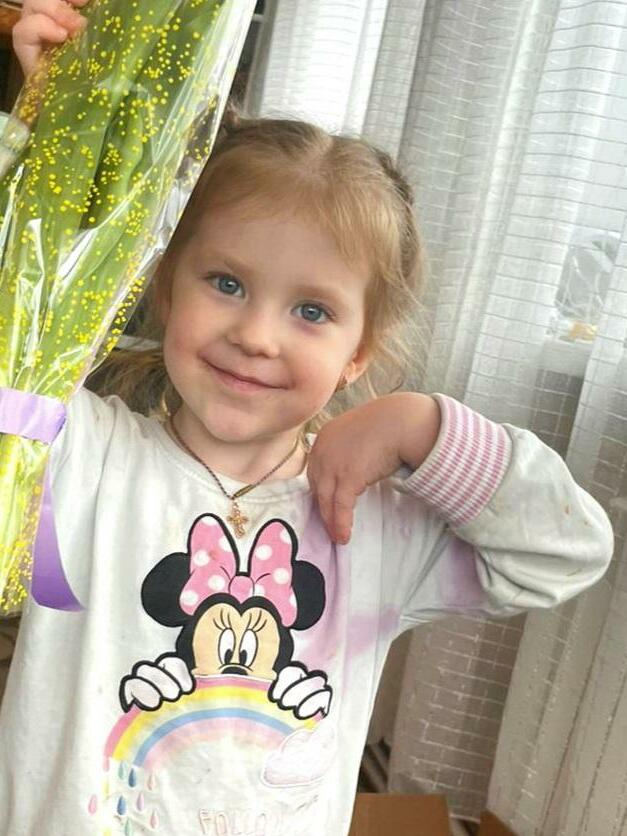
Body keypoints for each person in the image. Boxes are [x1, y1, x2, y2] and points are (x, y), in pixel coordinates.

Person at [1, 5, 614, 835]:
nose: (256, 335)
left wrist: (426, 429)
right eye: (225, 283)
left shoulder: (375, 525)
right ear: (167, 286)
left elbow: (565, 552)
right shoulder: (82, 455)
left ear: (360, 352)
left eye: (312, 311)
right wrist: (48, 130)